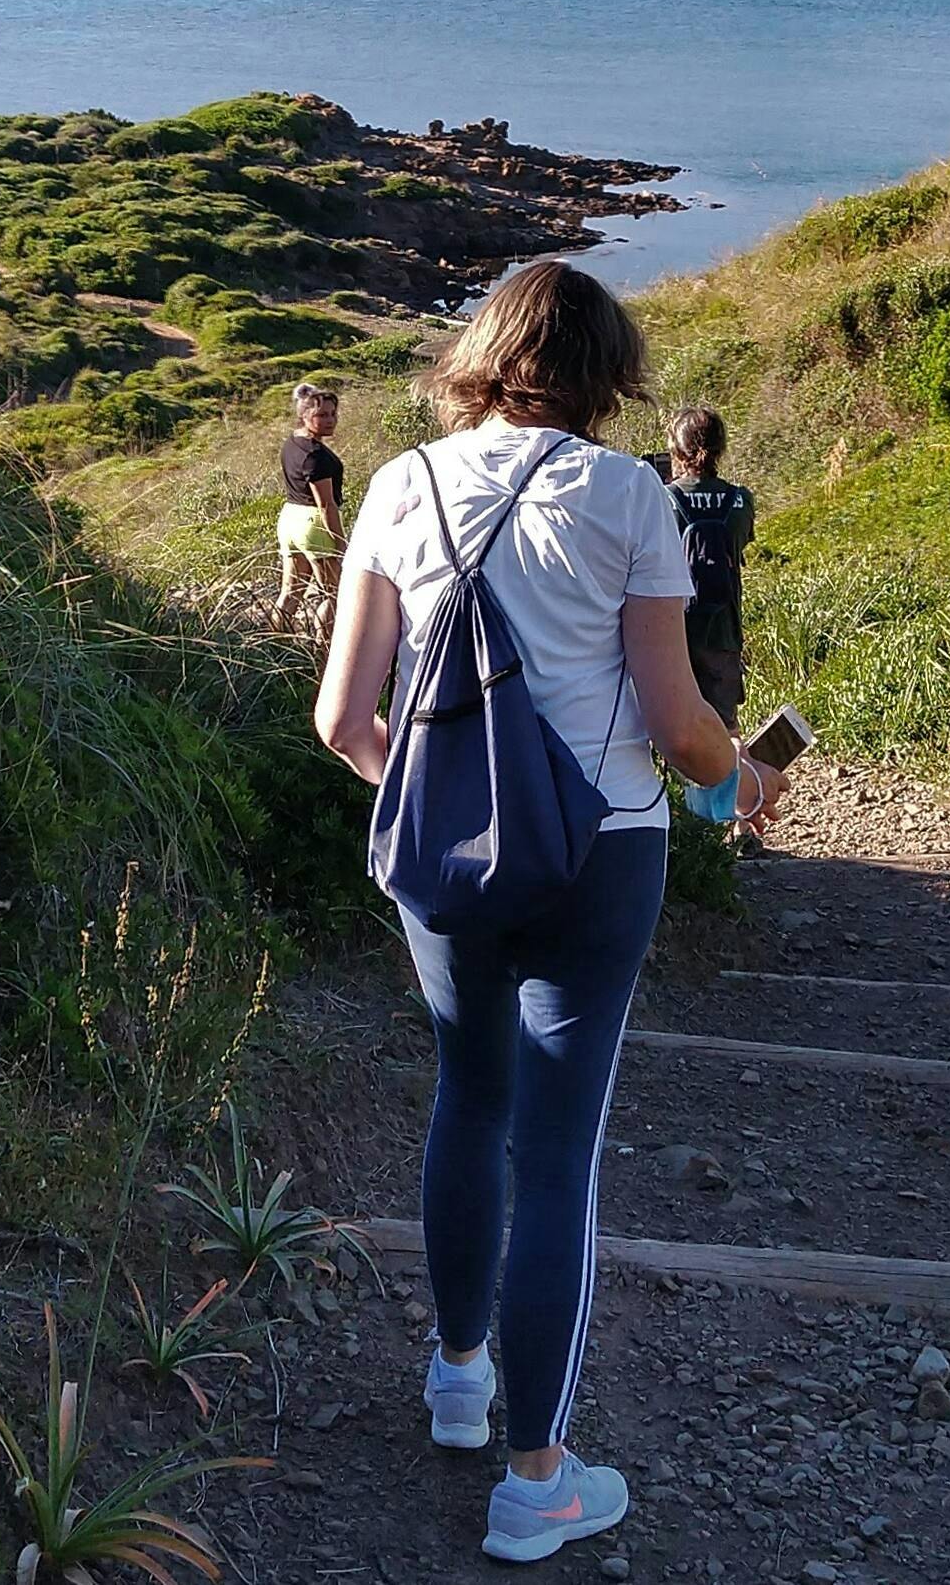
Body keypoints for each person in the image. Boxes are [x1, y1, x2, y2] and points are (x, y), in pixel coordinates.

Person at [314, 260, 792, 1566]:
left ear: (481, 355)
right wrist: (735, 776)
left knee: (464, 1099)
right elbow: (674, 716)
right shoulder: (628, 492)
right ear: (601, 372)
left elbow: (341, 720)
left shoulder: (398, 485)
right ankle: (536, 1481)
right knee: (558, 1151)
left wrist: (448, 803)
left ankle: (457, 1376)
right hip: (600, 857)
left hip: (440, 862)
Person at [661, 406, 761, 831]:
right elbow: (739, 546)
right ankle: (741, 820)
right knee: (727, 727)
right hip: (724, 629)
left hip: (672, 631)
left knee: (674, 725)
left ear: (675, 448)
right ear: (721, 447)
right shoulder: (740, 500)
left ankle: (686, 825)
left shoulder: (666, 498)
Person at [275, 380, 348, 638]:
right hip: (314, 524)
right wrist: (340, 543)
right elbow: (326, 504)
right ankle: (322, 650)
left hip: (289, 519)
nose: (330, 420)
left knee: (291, 590)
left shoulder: (293, 442)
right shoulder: (317, 457)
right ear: (304, 416)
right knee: (332, 592)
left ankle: (275, 642)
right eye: (321, 415)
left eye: (332, 414)